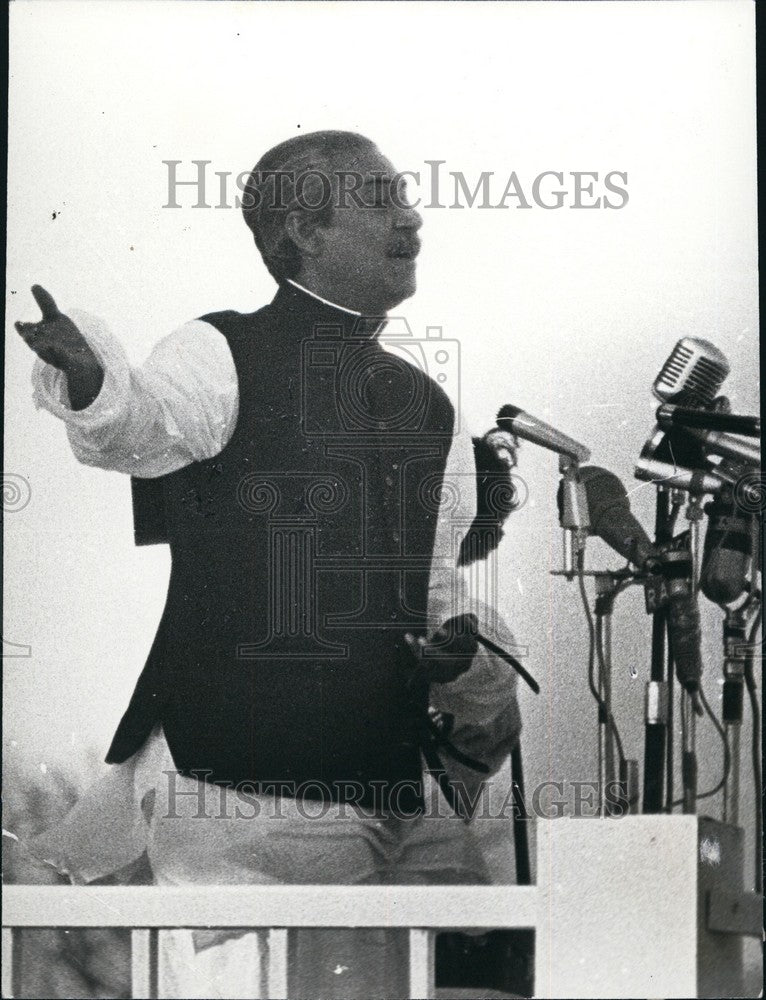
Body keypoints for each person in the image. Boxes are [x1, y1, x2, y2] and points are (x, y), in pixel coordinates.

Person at [16, 130, 522, 999]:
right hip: (245, 793)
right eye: (379, 197)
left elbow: (435, 592)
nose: (412, 214)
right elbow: (143, 422)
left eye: (407, 194)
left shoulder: (428, 402)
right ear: (307, 230)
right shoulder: (221, 349)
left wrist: (459, 657)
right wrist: (95, 377)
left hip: (395, 785)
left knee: (479, 966)